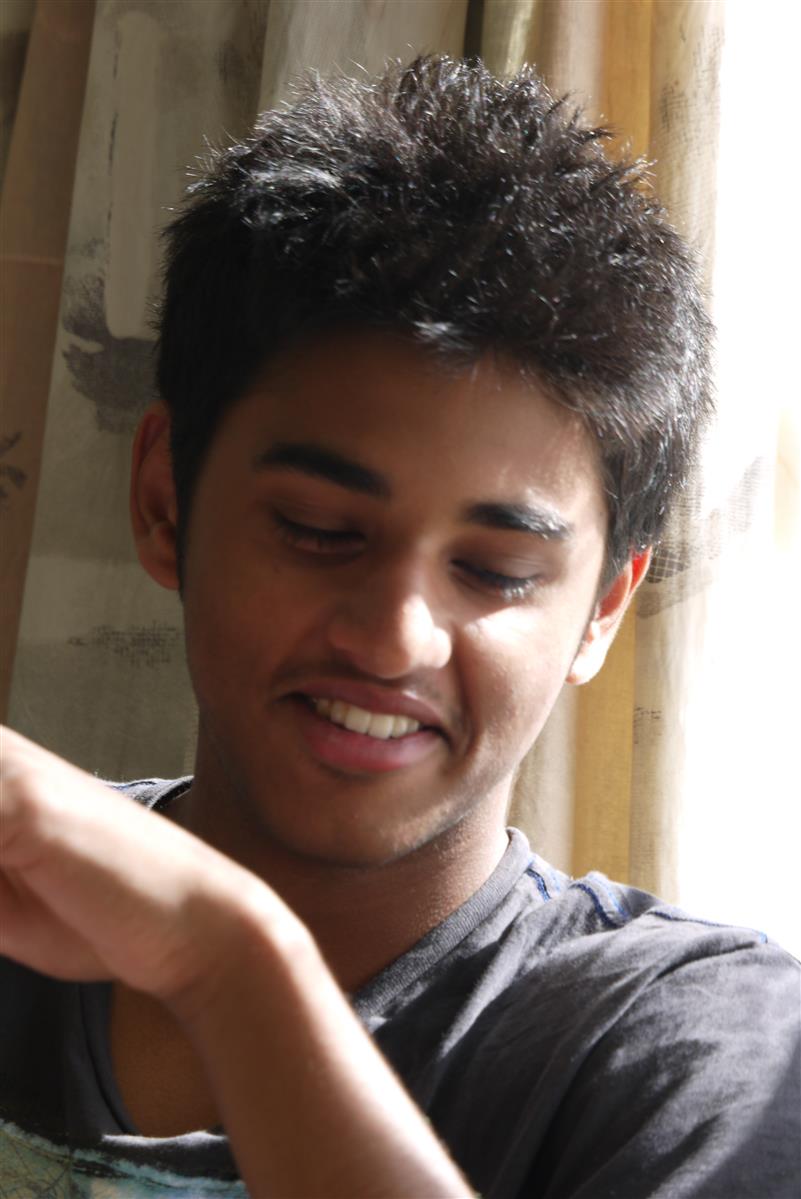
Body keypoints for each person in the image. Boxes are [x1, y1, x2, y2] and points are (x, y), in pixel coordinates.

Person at [1, 55, 798, 1199]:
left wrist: (236, 967)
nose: (394, 638)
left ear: (603, 608)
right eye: (320, 530)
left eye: (496, 569)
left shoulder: (685, 1046)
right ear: (166, 502)